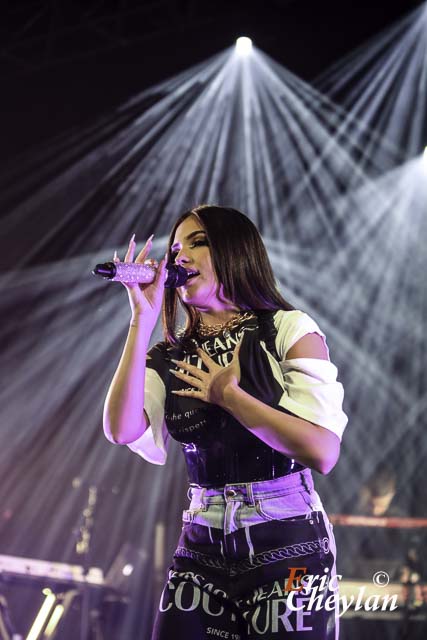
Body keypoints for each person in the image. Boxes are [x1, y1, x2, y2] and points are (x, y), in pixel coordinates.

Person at [103, 205, 348, 640]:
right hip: (201, 542)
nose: (180, 257)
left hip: (286, 539)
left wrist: (230, 397)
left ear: (235, 251)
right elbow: (121, 430)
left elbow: (323, 451)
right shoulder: (171, 355)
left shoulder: (286, 329)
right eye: (176, 248)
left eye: (198, 243)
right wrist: (141, 320)